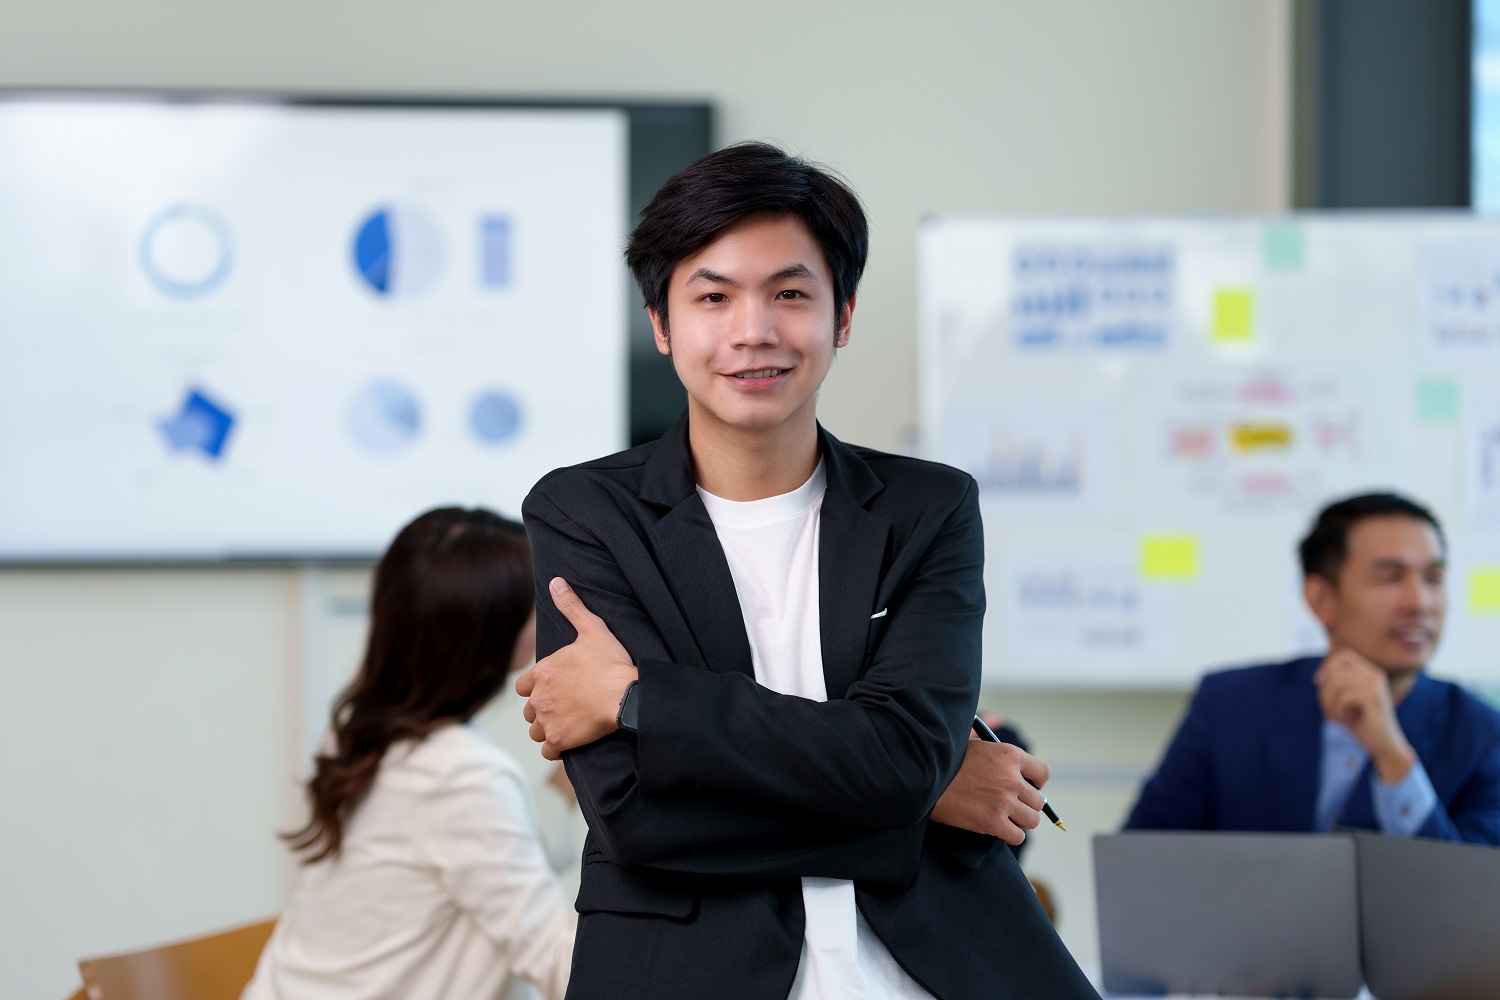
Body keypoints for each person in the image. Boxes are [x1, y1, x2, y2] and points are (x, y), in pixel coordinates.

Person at [515, 143, 1096, 1000]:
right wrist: (923, 803)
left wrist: (643, 701)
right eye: (713, 297)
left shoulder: (928, 508)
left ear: (843, 316)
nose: (754, 330)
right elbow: (639, 815)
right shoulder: (585, 514)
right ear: (662, 324)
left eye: (791, 294)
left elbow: (900, 758)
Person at [243, 508, 575, 1000]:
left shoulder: (370, 733)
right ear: (490, 634)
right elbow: (560, 962)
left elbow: (480, 859)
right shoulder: (460, 777)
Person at [1127, 492, 1500, 844]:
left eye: (1433, 578)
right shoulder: (1228, 705)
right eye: (1390, 578)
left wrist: (1394, 759)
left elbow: (1474, 897)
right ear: (1320, 599)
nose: (1420, 602)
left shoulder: (1482, 734)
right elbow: (1137, 860)